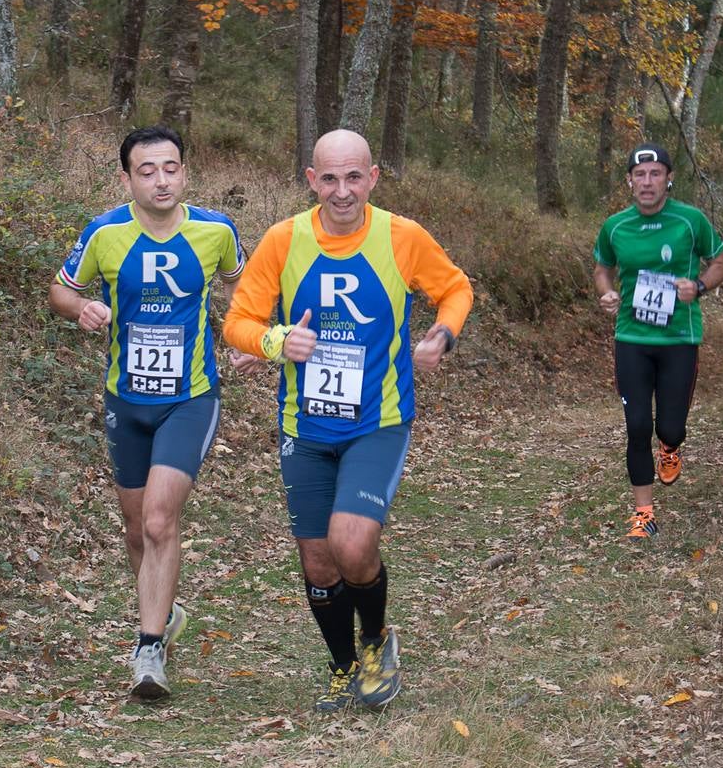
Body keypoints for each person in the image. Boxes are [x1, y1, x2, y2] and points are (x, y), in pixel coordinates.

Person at [223, 129, 472, 712]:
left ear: (373, 177)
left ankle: (375, 639)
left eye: (353, 177)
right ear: (311, 180)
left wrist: (442, 334)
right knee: (316, 557)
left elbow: (454, 289)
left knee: (351, 542)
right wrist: (277, 339)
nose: (342, 191)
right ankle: (341, 668)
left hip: (377, 421)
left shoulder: (401, 236)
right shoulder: (283, 240)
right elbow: (238, 321)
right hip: (304, 427)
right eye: (329, 178)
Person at [48, 125, 245, 701]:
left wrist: (248, 333)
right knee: (137, 529)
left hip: (190, 397)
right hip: (125, 401)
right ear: (127, 177)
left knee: (160, 520)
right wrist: (81, 306)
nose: (161, 179)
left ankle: (149, 649)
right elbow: (61, 290)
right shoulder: (106, 233)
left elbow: (242, 287)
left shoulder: (217, 231)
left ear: (185, 171)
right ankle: (163, 610)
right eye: (147, 170)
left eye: (171, 168)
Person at [593, 143, 723, 539]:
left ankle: (670, 446)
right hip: (632, 337)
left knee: (670, 425)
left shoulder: (690, 221)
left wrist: (700, 285)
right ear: (630, 182)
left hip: (679, 339)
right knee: (636, 424)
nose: (648, 182)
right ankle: (643, 514)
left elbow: (720, 260)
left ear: (669, 179)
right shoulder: (616, 226)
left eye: (656, 173)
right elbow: (603, 267)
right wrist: (606, 292)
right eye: (640, 175)